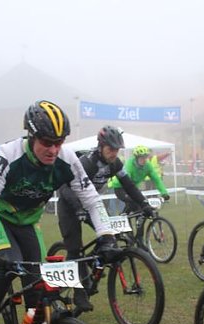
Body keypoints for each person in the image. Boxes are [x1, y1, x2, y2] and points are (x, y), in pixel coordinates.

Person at [0, 100, 118, 324]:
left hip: (28, 223)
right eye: (47, 142)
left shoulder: (67, 159)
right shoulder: (8, 155)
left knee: (36, 290)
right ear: (31, 136)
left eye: (59, 142)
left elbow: (91, 200)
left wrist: (106, 236)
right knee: (9, 264)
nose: (53, 149)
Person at [56, 125, 155, 311]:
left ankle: (94, 263)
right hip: (69, 206)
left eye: (117, 150)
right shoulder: (87, 163)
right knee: (75, 250)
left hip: (92, 205)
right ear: (100, 146)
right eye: (110, 149)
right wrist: (78, 208)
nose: (113, 154)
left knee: (109, 240)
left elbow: (129, 186)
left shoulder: (115, 164)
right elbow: (64, 188)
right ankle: (79, 293)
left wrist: (144, 204)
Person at [107, 145, 170, 213]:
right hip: (120, 187)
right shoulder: (130, 163)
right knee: (134, 202)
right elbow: (127, 180)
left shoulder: (148, 166)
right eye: (142, 158)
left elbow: (157, 180)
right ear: (137, 158)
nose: (145, 160)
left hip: (133, 187)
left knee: (142, 205)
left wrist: (164, 193)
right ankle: (125, 218)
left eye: (146, 157)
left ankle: (135, 220)